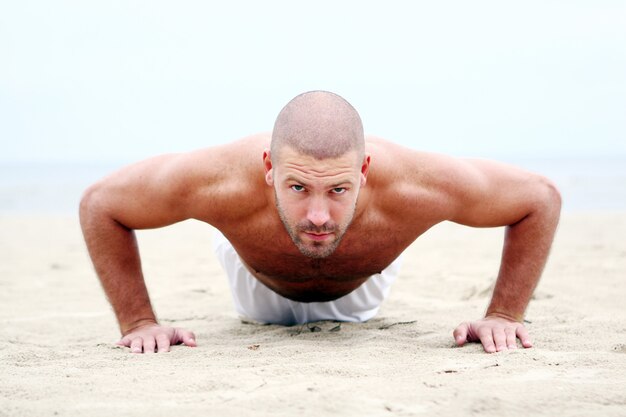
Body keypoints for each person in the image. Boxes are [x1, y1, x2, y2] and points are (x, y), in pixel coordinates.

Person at [79, 90, 561, 354]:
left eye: (337, 190)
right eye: (296, 187)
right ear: (269, 167)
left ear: (364, 171)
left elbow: (539, 198)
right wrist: (139, 322)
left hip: (361, 292)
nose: (317, 215)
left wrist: (502, 315)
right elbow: (102, 204)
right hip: (255, 283)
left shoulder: (418, 186)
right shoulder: (216, 180)